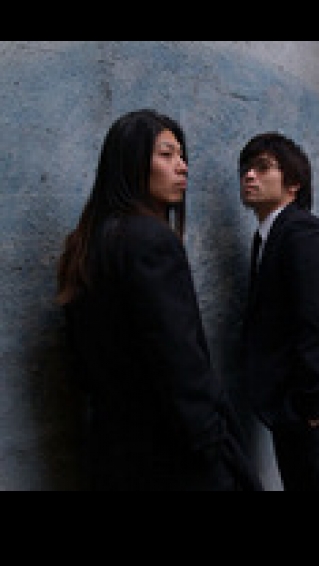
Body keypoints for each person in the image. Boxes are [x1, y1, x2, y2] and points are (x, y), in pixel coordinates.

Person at [56, 108, 263, 491]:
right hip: (172, 453)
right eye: (166, 155)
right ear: (131, 163)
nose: (182, 167)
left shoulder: (85, 245)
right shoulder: (149, 241)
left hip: (114, 448)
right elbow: (180, 358)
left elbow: (85, 365)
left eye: (181, 156)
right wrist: (212, 447)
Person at [238, 131, 319, 491]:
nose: (249, 175)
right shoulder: (269, 235)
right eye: (245, 169)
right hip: (295, 406)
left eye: (263, 167)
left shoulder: (300, 232)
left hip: (315, 408)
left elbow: (318, 324)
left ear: (294, 183)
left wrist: (310, 406)